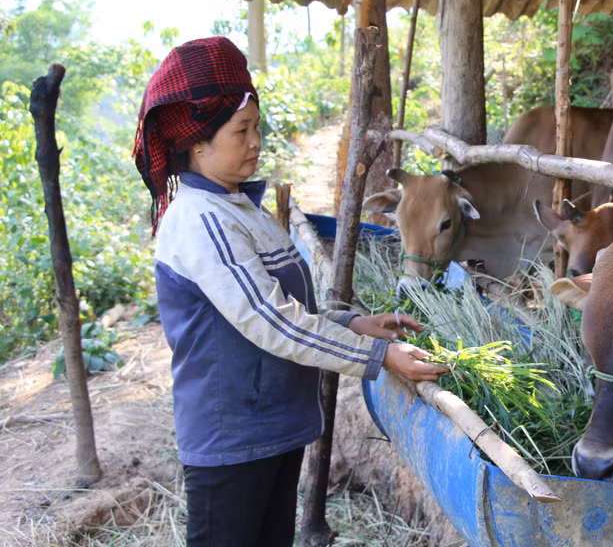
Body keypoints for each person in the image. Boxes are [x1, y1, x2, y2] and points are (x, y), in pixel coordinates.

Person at [132, 36, 446, 547]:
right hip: (232, 441)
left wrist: (353, 324)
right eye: (241, 130)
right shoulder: (201, 220)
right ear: (197, 145)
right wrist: (379, 355)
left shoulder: (240, 208)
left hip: (270, 429)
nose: (256, 141)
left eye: (256, 126)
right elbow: (272, 322)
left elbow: (286, 307)